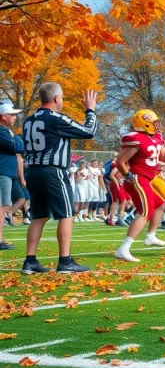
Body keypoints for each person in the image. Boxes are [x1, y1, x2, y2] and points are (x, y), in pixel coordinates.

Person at [21, 83, 98, 274]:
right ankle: (65, 261)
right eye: (61, 97)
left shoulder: (29, 120)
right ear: (56, 98)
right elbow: (89, 131)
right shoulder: (55, 118)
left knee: (38, 216)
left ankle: (30, 261)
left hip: (33, 171)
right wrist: (90, 111)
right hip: (52, 171)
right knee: (66, 213)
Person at [114, 110, 165, 262]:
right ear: (146, 123)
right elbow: (120, 161)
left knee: (160, 204)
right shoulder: (137, 139)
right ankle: (123, 248)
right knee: (145, 212)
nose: (157, 125)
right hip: (137, 178)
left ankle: (150, 236)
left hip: (145, 179)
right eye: (154, 122)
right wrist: (129, 176)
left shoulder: (155, 138)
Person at [0, 102, 24, 249]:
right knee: (3, 206)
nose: (15, 117)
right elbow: (17, 147)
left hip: (6, 173)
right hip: (3, 172)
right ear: (3, 116)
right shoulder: (2, 132)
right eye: (12, 115)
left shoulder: (6, 132)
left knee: (4, 205)